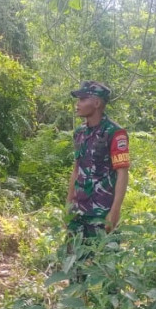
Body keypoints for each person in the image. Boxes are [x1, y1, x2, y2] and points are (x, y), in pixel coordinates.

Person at [66, 80, 130, 249]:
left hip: (101, 212)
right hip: (78, 212)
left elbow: (122, 173)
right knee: (75, 264)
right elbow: (76, 169)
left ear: (96, 103)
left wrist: (114, 211)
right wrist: (68, 203)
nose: (77, 104)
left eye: (82, 99)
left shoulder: (115, 133)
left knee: (102, 266)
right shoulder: (79, 133)